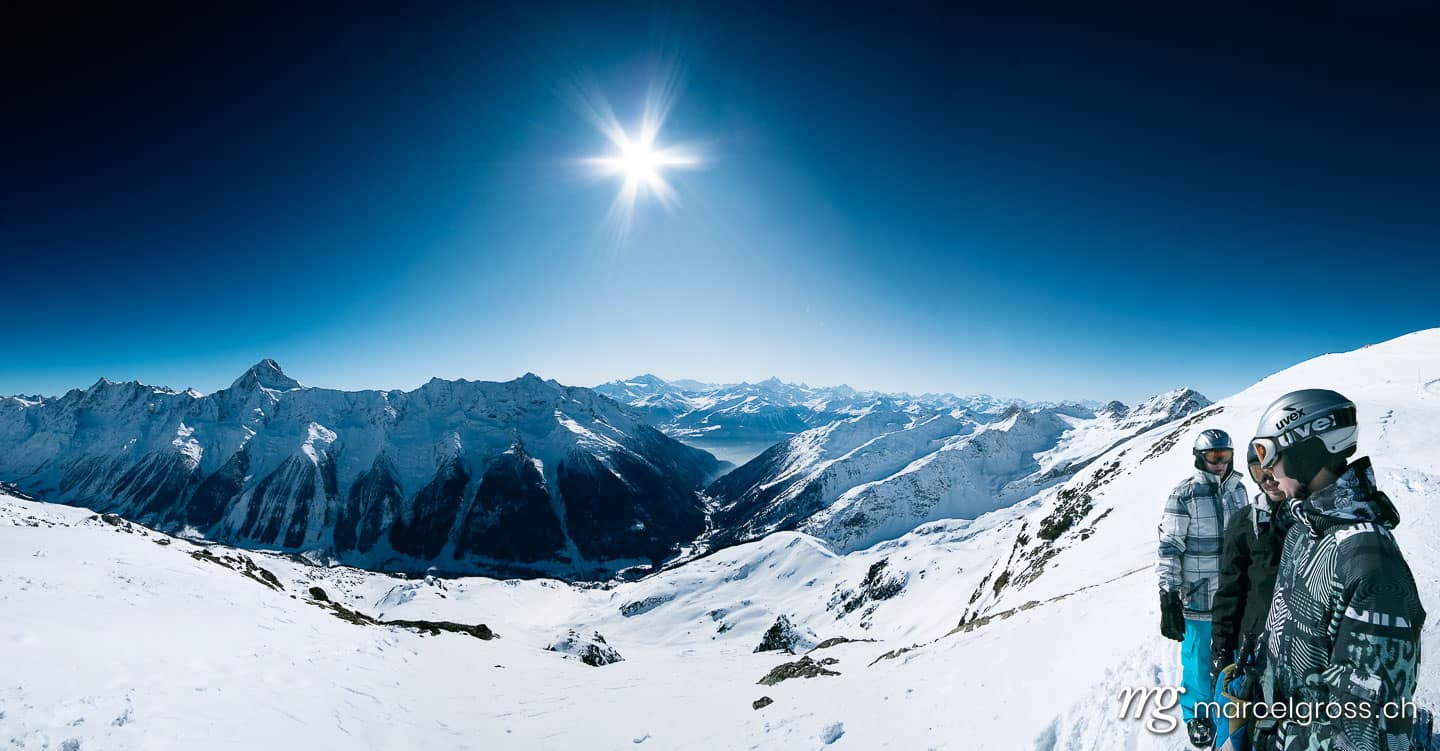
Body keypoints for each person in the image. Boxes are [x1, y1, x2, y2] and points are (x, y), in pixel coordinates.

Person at [1252, 389, 1426, 751]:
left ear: (1304, 450)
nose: (1265, 470)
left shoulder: (1370, 565)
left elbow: (1365, 733)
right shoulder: (1304, 528)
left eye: (1268, 452)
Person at [1158, 428, 1250, 748]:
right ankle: (1198, 715)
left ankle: (1228, 709)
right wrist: (1167, 594)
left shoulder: (1239, 491)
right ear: (1200, 459)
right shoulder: (1184, 495)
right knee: (1197, 661)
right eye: (1214, 457)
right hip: (1198, 597)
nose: (1220, 464)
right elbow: (1170, 546)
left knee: (1231, 657)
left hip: (1233, 596)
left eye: (1225, 456)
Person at [1210, 443, 1289, 682]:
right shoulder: (1244, 522)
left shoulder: (1311, 519)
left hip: (1304, 644)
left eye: (1272, 470)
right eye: (1258, 472)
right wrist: (1222, 649)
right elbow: (1229, 591)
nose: (1267, 480)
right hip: (1256, 645)